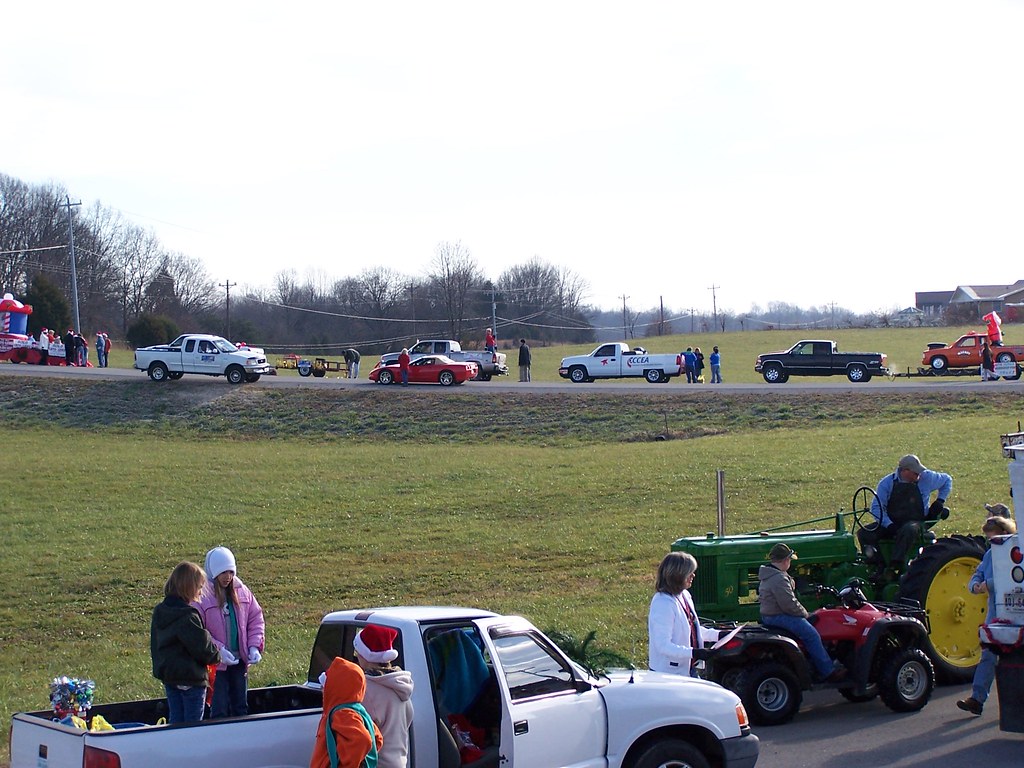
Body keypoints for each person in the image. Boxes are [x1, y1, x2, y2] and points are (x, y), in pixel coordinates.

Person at [957, 514, 1018, 716]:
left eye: (993, 538)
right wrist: (975, 585)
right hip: (994, 611)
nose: (991, 543)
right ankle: (977, 699)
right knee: (988, 655)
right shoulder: (990, 554)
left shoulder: (1015, 552)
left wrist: (988, 584)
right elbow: (979, 573)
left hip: (1015, 610)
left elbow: (1012, 579)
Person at [195, 547, 266, 719]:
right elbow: (198, 630)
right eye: (223, 572)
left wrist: (253, 646)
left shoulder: (243, 592)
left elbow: (255, 619)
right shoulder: (202, 597)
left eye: (230, 572)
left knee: (240, 706)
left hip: (239, 661)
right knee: (219, 707)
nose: (228, 577)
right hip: (216, 666)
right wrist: (218, 650)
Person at [759, 543, 846, 682]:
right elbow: (789, 605)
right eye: (790, 559)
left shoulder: (770, 574)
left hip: (770, 615)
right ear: (785, 560)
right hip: (779, 616)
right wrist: (805, 614)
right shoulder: (778, 578)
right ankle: (828, 671)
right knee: (811, 634)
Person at [150, 561, 221, 724]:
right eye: (199, 586)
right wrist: (216, 654)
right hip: (192, 678)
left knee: (175, 720)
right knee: (193, 724)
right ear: (189, 587)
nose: (200, 591)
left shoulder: (160, 611)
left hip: (170, 677)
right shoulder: (188, 616)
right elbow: (202, 647)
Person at [857, 454, 953, 572]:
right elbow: (876, 508)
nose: (918, 475)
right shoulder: (887, 483)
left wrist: (940, 500)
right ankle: (877, 567)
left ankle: (895, 566)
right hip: (892, 522)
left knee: (908, 529)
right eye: (915, 473)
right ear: (904, 471)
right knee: (864, 533)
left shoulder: (927, 477)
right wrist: (889, 525)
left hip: (917, 521)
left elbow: (947, 480)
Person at [648, 552, 721, 677]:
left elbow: (690, 631)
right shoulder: (663, 603)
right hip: (668, 675)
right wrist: (694, 653)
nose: (693, 575)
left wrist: (718, 635)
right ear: (677, 575)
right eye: (689, 572)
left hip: (688, 669)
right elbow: (663, 646)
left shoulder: (684, 595)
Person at [354, 625, 414, 768]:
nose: (356, 656)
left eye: (357, 652)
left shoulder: (366, 688)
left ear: (366, 655)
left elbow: (358, 734)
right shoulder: (400, 684)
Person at [310, 657, 383, 768]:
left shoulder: (342, 714)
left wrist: (348, 764)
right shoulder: (358, 710)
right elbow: (377, 739)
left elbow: (363, 740)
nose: (323, 690)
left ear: (335, 688)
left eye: (326, 686)